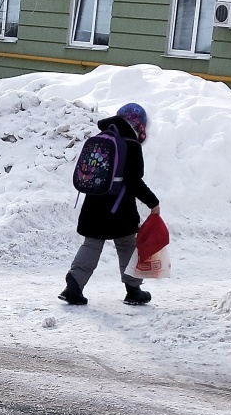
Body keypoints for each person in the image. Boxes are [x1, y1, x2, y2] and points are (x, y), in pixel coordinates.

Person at [59, 102, 160, 307]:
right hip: (120, 207)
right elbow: (133, 181)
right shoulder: (131, 144)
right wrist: (153, 202)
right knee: (127, 245)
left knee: (92, 243)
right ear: (138, 124)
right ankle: (133, 290)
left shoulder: (103, 137)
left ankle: (73, 286)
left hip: (94, 202)